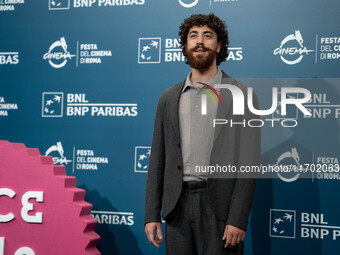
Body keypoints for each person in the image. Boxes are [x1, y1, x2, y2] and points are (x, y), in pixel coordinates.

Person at [144, 13, 260, 255]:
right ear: (185, 45)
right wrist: (151, 214)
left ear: (219, 46)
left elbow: (248, 164)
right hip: (177, 208)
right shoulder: (168, 98)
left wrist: (237, 218)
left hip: (220, 208)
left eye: (207, 36)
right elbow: (157, 160)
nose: (199, 41)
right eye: (193, 36)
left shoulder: (242, 95)